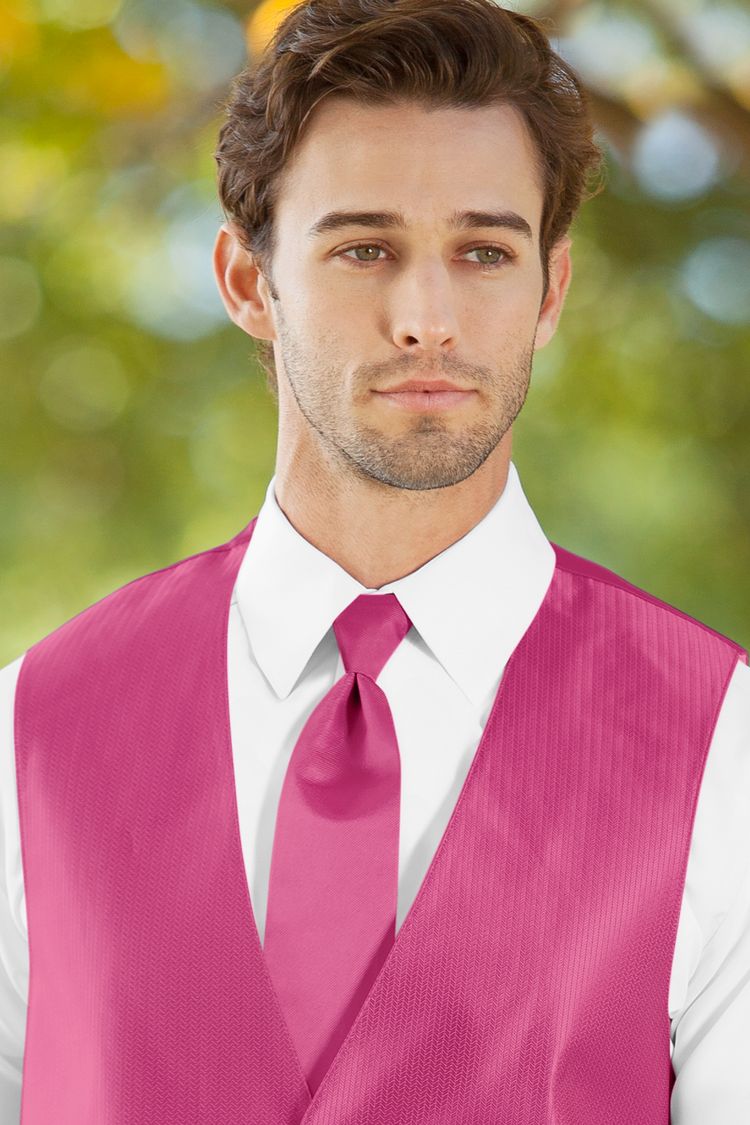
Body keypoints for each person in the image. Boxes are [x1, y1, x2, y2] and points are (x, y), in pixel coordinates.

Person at [0, 0, 748, 1120]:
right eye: (365, 247)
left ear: (549, 292)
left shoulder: (727, 748)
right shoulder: (29, 734)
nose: (426, 316)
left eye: (484, 251)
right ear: (249, 283)